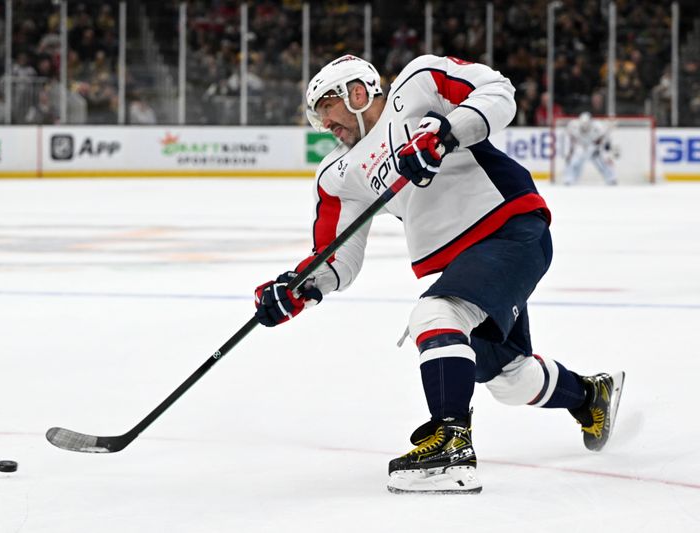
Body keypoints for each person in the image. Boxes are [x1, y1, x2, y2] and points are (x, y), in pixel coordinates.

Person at [252, 54, 626, 494]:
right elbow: (337, 258)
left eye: (327, 107)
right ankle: (589, 396)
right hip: (468, 262)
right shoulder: (337, 174)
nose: (323, 122)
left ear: (356, 93)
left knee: (436, 313)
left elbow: (498, 92)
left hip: (509, 227)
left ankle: (450, 441)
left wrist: (446, 133)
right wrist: (300, 288)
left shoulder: (417, 85)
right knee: (510, 378)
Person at [562, 112, 617, 185]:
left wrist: (603, 150)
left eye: (586, 125)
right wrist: (569, 152)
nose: (585, 127)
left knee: (603, 161)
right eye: (583, 125)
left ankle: (611, 178)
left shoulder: (598, 127)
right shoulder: (573, 126)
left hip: (593, 147)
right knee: (573, 161)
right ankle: (569, 179)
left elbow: (604, 138)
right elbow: (569, 139)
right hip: (581, 147)